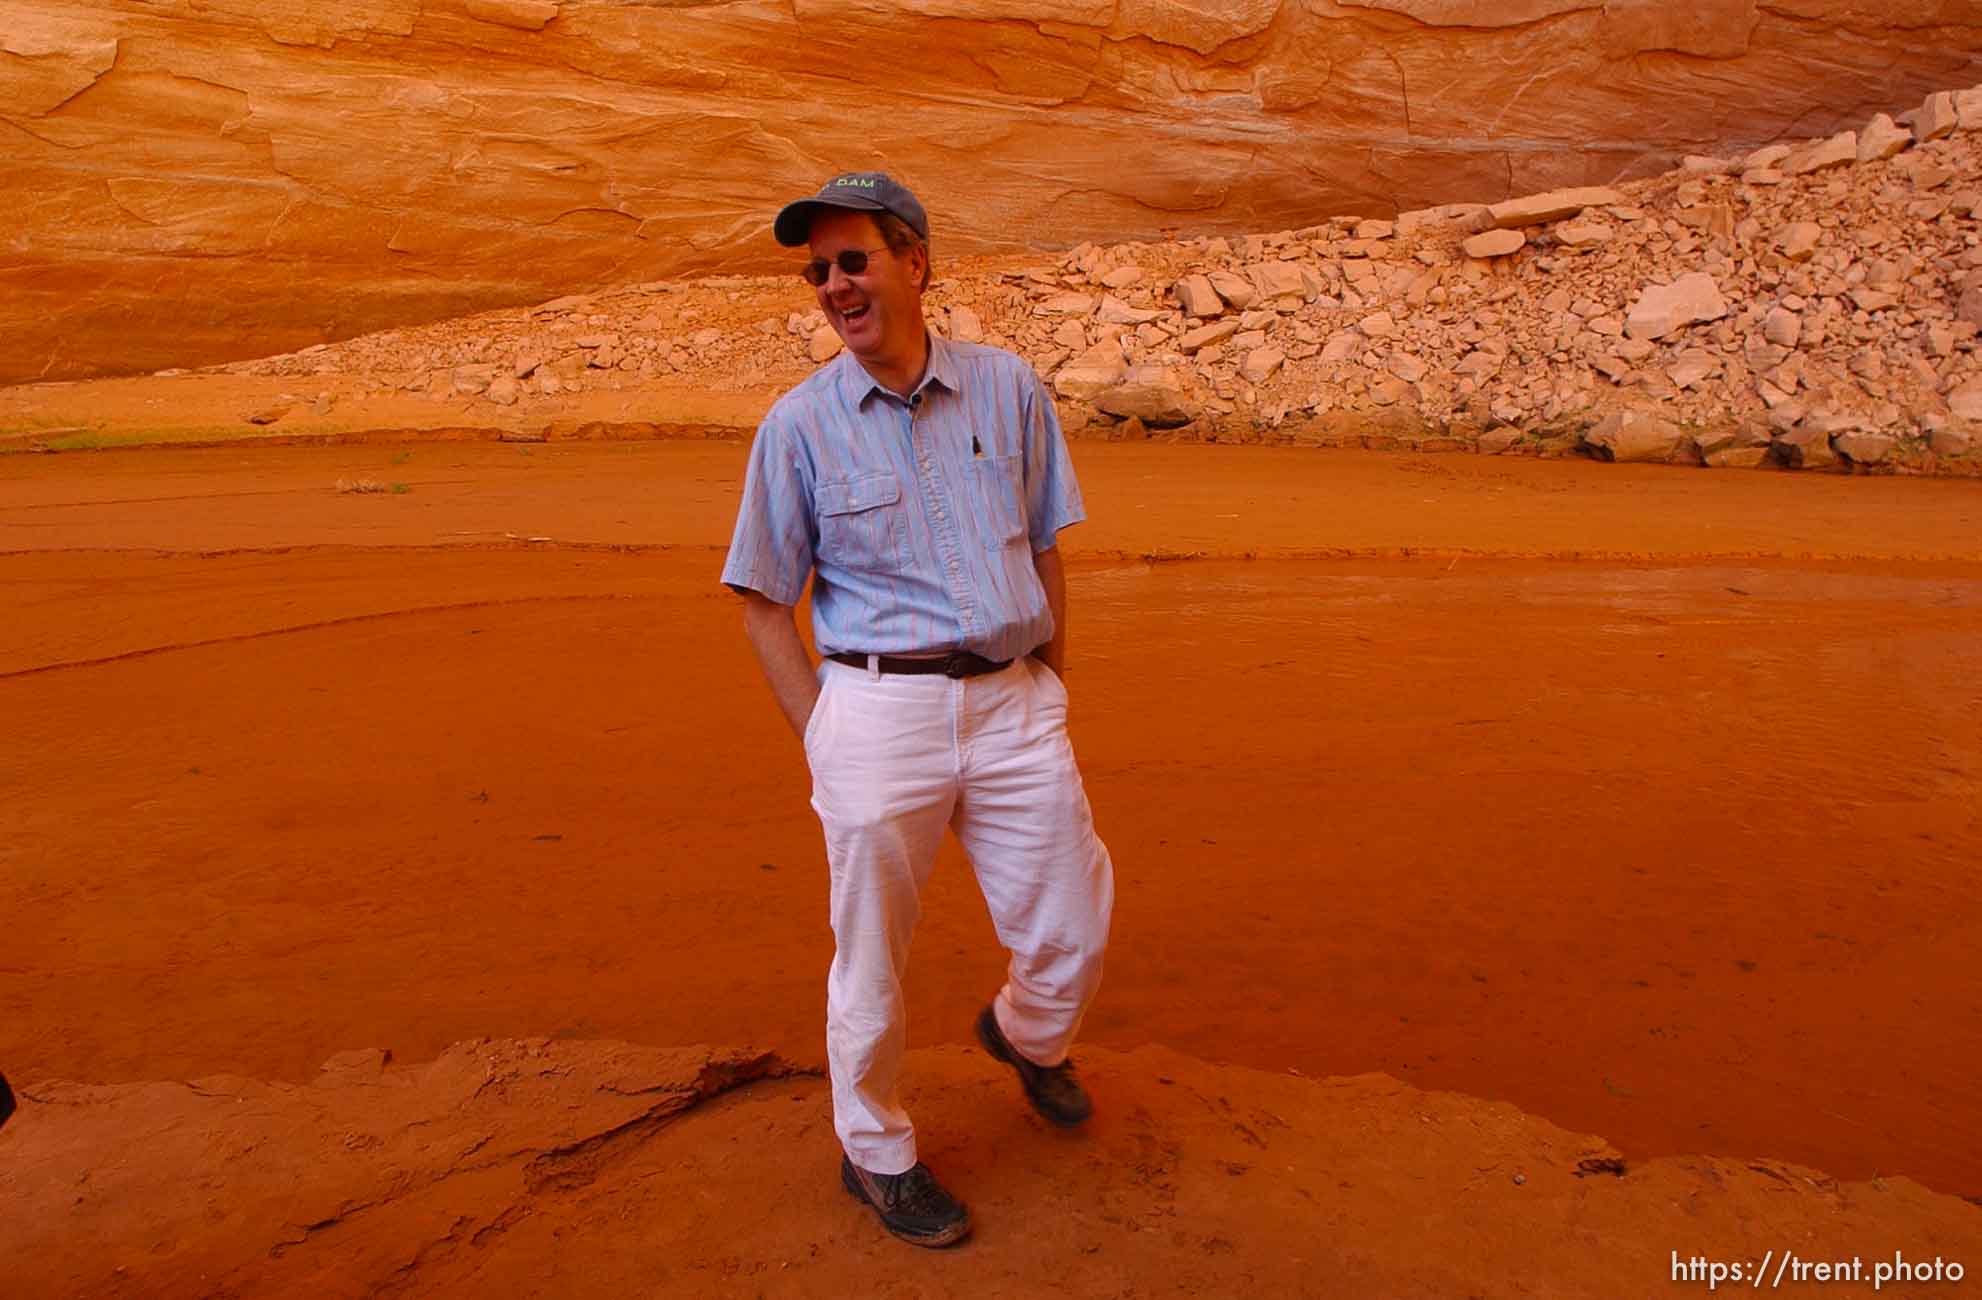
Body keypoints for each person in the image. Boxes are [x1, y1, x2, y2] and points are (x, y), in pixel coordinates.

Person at [720, 172, 1116, 1249]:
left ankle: (1027, 1034)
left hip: (1012, 700)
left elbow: (1042, 545)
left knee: (1073, 920)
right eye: (817, 271)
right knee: (871, 958)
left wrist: (1053, 681)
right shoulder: (797, 427)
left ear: (914, 262)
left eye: (852, 261)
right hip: (872, 707)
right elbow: (763, 603)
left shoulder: (1006, 387)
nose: (833, 286)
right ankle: (877, 1153)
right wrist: (828, 735)